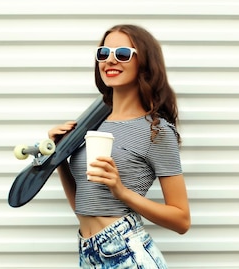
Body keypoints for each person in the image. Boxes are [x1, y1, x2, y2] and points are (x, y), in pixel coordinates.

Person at [48, 24, 190, 268]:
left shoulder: (156, 131)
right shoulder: (91, 123)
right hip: (88, 252)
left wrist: (122, 191)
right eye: (103, 54)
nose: (110, 61)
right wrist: (59, 157)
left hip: (126, 252)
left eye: (122, 54)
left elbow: (182, 220)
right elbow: (84, 204)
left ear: (144, 63)